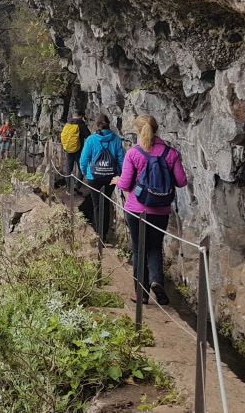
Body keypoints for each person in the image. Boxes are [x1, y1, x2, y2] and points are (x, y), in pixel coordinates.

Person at [114, 114, 187, 305]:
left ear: (138, 131)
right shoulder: (171, 153)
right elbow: (181, 181)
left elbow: (125, 183)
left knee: (139, 250)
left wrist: (117, 181)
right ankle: (157, 281)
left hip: (136, 209)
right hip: (160, 210)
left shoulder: (133, 153)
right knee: (155, 248)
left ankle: (142, 294)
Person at [79, 114, 125, 242]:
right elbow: (122, 160)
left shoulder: (91, 139)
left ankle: (98, 235)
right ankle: (104, 234)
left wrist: (85, 173)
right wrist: (119, 175)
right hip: (111, 177)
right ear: (108, 124)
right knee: (105, 203)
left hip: (94, 177)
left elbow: (83, 159)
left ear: (96, 125)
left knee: (97, 205)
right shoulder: (116, 140)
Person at [60, 109, 90, 193]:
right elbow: (89, 136)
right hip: (79, 150)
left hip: (68, 150)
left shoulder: (68, 123)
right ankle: (77, 186)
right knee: (81, 168)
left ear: (73, 115)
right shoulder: (81, 124)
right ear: (81, 116)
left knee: (69, 169)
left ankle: (69, 189)